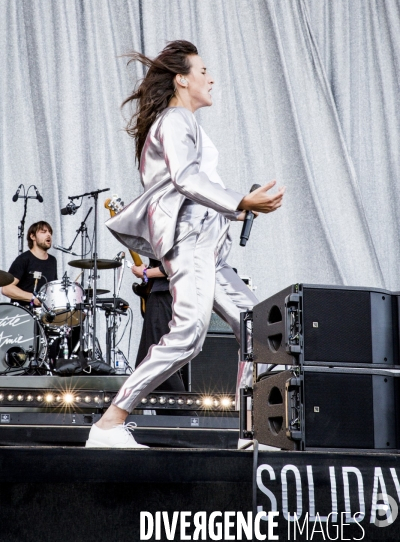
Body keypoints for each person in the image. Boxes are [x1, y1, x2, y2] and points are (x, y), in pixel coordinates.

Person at [86, 40, 285, 448]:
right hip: (190, 244)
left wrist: (234, 210)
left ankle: (252, 432)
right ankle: (109, 423)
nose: (211, 78)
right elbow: (185, 180)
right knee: (189, 335)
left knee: (257, 328)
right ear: (181, 79)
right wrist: (240, 201)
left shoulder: (186, 123)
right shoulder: (175, 120)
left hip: (208, 246)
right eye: (203, 71)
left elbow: (194, 187)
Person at [131, 261, 186, 394]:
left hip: (165, 294)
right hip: (164, 293)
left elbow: (178, 263)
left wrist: (146, 273)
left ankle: (184, 412)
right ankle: (166, 413)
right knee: (144, 362)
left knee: (157, 359)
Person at [2, 221, 57, 307]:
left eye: (50, 232)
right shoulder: (23, 259)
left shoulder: (53, 260)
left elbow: (53, 289)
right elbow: (7, 288)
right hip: (24, 314)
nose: (48, 234)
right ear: (32, 236)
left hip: (44, 314)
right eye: (43, 232)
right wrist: (32, 297)